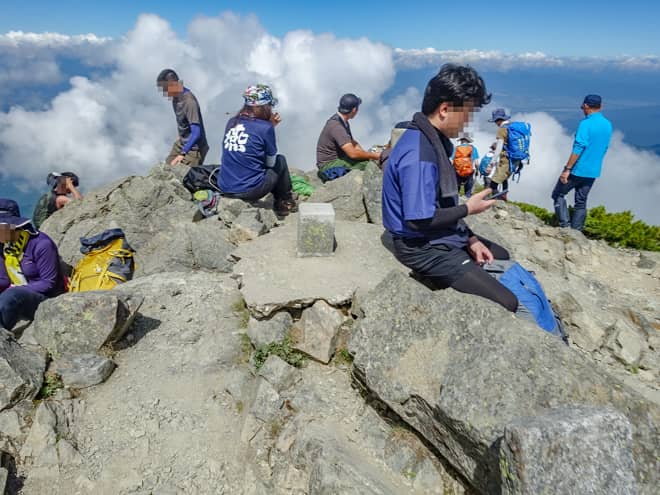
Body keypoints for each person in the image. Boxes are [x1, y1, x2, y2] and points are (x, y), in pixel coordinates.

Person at [381, 64, 518, 312]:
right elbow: (418, 221)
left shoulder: (431, 140)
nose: (468, 121)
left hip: (437, 233)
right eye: (467, 113)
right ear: (445, 109)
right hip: (420, 247)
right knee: (508, 303)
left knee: (501, 255)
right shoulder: (420, 155)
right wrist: (467, 209)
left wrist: (470, 238)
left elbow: (441, 205)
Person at [217, 84, 297, 216]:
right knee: (280, 161)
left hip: (225, 186)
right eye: (269, 106)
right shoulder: (265, 128)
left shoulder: (232, 122)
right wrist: (270, 127)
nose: (271, 109)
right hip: (249, 190)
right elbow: (271, 163)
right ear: (261, 107)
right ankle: (284, 202)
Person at [0, 199, 65, 331]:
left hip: (46, 298)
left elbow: (48, 283)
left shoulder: (41, 244)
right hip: (15, 294)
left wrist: (17, 288)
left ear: (14, 226)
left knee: (13, 295)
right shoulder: (4, 245)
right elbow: (3, 279)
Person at [551, 94, 612, 231]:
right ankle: (577, 231)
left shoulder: (585, 124)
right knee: (581, 201)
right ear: (601, 106)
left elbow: (578, 148)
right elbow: (605, 147)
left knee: (558, 194)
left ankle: (565, 227)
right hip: (593, 171)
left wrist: (567, 169)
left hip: (577, 169)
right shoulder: (607, 124)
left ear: (586, 106)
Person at [316, 93, 382, 182]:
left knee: (367, 160)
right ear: (354, 110)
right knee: (367, 165)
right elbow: (353, 154)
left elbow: (353, 143)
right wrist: (375, 156)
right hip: (328, 166)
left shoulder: (342, 121)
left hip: (337, 160)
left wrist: (366, 154)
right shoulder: (337, 126)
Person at [156, 68, 210, 167]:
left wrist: (182, 153)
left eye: (165, 88)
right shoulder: (175, 99)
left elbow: (196, 132)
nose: (164, 92)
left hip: (195, 148)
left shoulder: (189, 102)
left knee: (180, 176)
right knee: (165, 169)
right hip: (182, 142)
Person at [487, 108, 516, 199]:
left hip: (506, 159)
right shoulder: (512, 126)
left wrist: (492, 163)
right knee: (504, 179)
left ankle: (497, 203)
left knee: (493, 184)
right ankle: (504, 197)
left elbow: (499, 148)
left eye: (495, 121)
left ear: (497, 120)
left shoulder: (502, 129)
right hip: (514, 159)